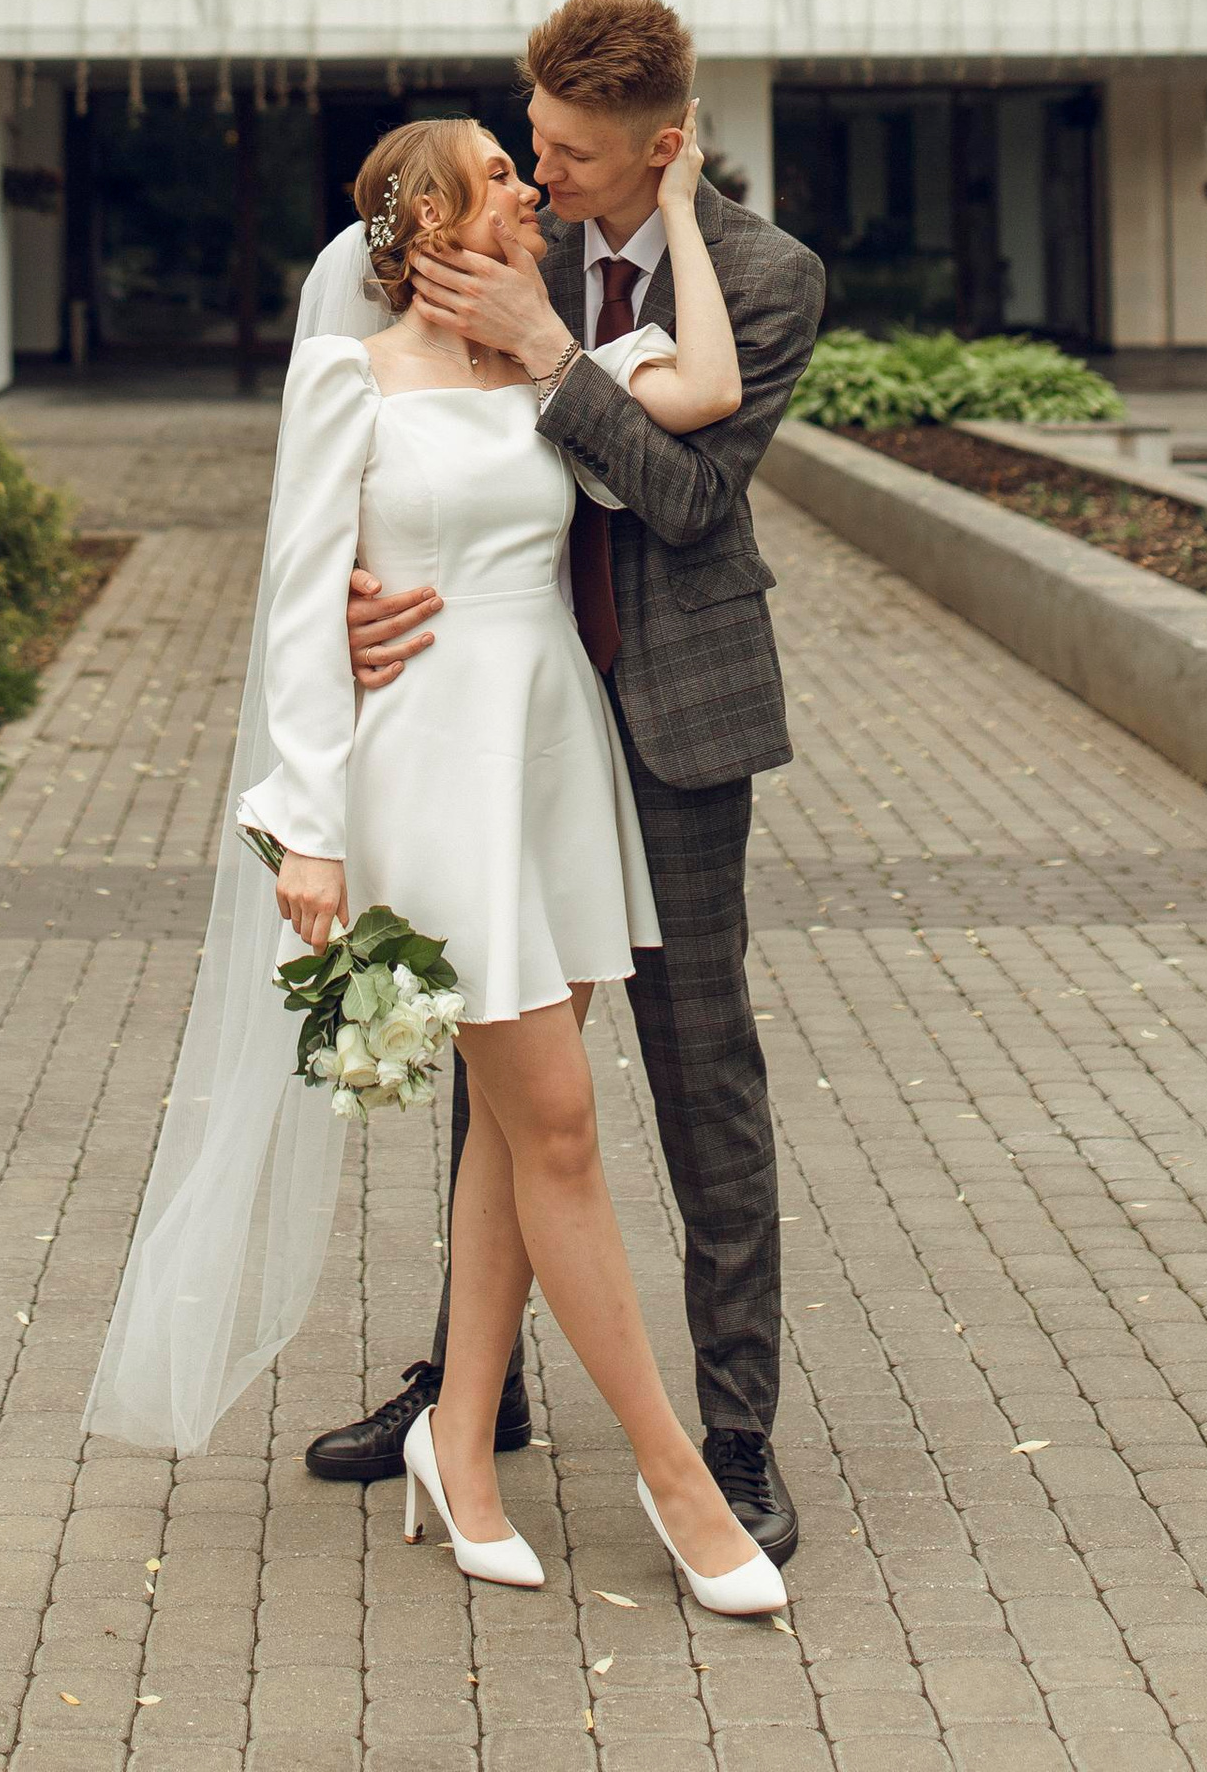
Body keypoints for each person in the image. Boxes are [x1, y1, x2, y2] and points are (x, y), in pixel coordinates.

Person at [85, 98, 787, 1616]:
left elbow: (713, 386)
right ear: (422, 223)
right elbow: (294, 611)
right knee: (558, 1136)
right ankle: (675, 1476)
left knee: (505, 1139)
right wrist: (311, 832)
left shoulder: (555, 372)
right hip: (431, 776)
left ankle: (459, 1444)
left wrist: (676, 202)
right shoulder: (351, 377)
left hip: (552, 773)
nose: (530, 187)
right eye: (497, 176)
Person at [300, 0, 827, 1568]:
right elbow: (388, 444)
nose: (545, 167)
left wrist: (548, 349)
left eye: (577, 151)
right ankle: (479, 1400)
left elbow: (682, 498)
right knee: (494, 1074)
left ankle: (733, 1435)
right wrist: (346, 589)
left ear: (665, 146)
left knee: (697, 1071)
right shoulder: (491, 227)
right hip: (490, 714)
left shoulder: (764, 280)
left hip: (664, 716)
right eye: (532, 136)